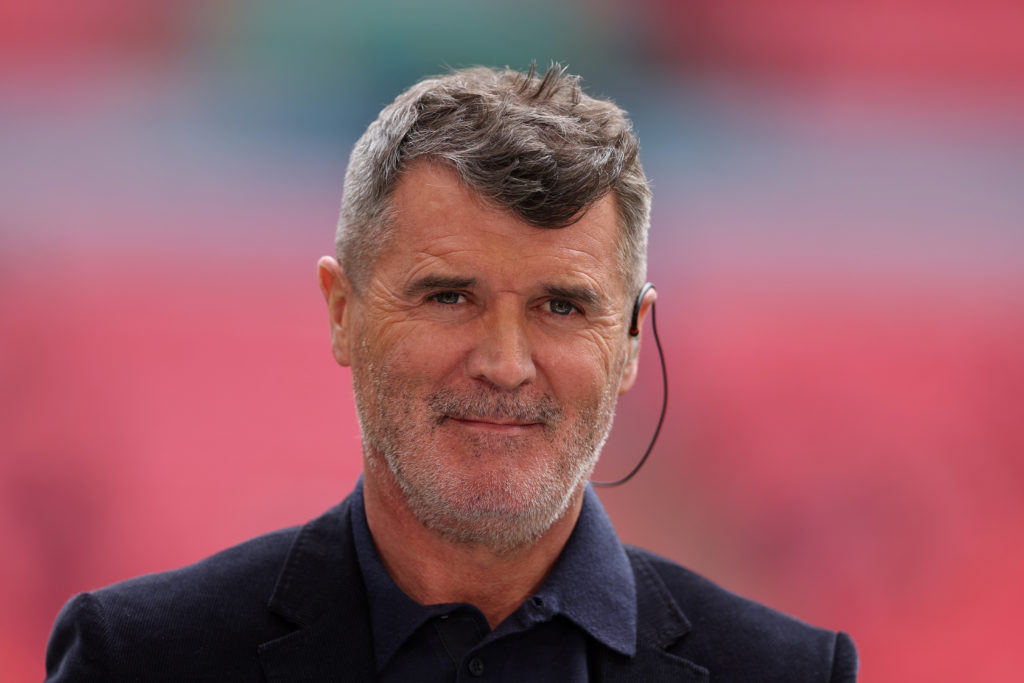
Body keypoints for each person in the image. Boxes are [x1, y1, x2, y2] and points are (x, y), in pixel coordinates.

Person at [46, 64, 858, 682]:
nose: (505, 365)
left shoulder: (786, 671)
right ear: (343, 311)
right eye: (448, 296)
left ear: (635, 337)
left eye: (563, 307)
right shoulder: (141, 657)